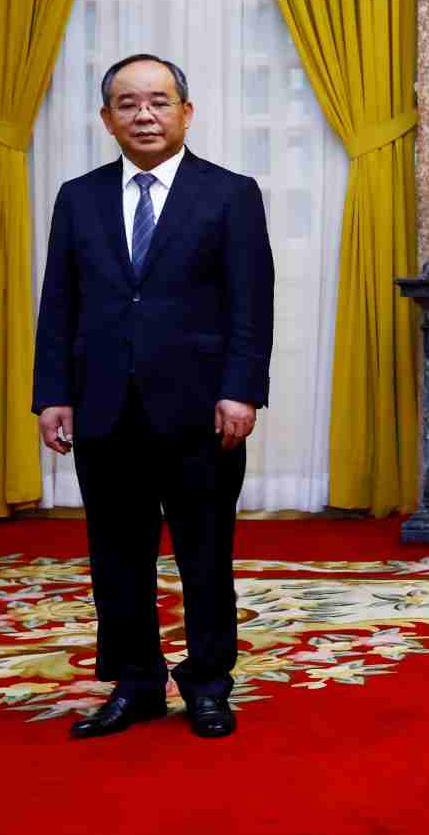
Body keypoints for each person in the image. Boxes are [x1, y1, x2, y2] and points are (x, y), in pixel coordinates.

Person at [31, 54, 275, 742]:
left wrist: (241, 391)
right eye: (129, 103)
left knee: (204, 553)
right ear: (106, 117)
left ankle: (206, 685)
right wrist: (53, 392)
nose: (145, 114)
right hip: (103, 405)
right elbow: (60, 304)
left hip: (200, 409)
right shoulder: (77, 197)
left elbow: (250, 304)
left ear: (186, 113)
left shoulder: (229, 194)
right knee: (115, 553)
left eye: (159, 102)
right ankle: (135, 684)